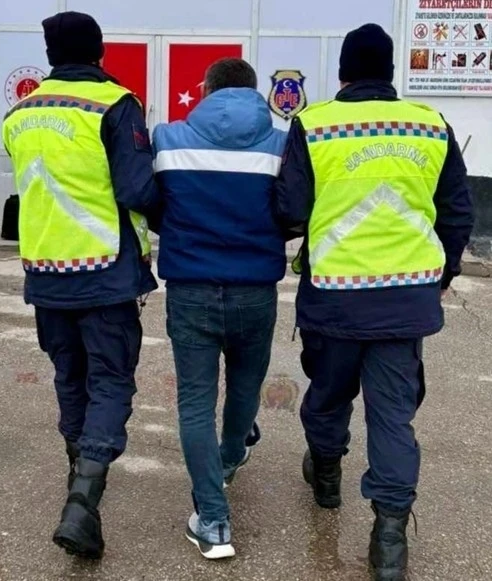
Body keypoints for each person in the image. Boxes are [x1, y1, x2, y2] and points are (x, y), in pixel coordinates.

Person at [275, 24, 474, 581]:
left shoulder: (314, 125)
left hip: (335, 299)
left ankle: (327, 477)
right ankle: (389, 540)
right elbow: (458, 211)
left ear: (342, 72)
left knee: (328, 395)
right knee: (392, 417)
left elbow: (289, 210)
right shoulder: (430, 125)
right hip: (405, 301)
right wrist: (444, 273)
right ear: (390, 72)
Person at [1, 11, 161, 560]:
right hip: (105, 274)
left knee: (69, 377)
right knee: (111, 381)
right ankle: (82, 501)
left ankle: (79, 480)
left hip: (45, 273)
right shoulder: (115, 105)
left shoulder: (20, 113)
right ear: (99, 52)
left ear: (50, 55)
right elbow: (138, 190)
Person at [152, 58, 288, 559]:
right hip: (255, 290)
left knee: (195, 403)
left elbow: (152, 202)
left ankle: (212, 520)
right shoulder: (282, 146)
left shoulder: (167, 139)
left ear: (206, 90)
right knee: (245, 388)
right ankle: (229, 458)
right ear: (255, 93)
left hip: (191, 289)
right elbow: (294, 211)